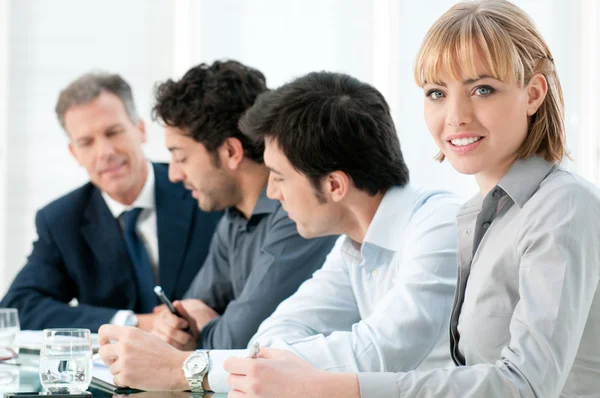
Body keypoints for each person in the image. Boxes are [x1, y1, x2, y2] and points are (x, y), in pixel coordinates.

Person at [221, 1, 600, 397]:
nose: (455, 116)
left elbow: (525, 385)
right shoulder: (479, 215)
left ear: (534, 94)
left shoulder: (563, 205)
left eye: (482, 89)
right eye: (437, 93)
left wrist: (332, 387)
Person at [97, 70, 461, 393]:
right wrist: (265, 364)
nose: (270, 192)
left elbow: (377, 351)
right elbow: (272, 334)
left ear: (334, 185)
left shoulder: (439, 226)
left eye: (280, 177)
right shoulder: (351, 247)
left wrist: (185, 370)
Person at [97, 60, 338, 363]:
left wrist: (205, 329)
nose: (173, 174)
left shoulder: (298, 215)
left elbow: (238, 342)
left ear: (231, 152)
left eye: (181, 157)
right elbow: (185, 314)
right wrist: (178, 326)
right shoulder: (234, 217)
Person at [0, 73, 222, 332]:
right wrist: (133, 323)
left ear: (140, 130)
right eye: (86, 142)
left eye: (113, 132)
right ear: (75, 153)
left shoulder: (201, 191)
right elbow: (18, 306)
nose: (104, 152)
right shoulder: (61, 221)